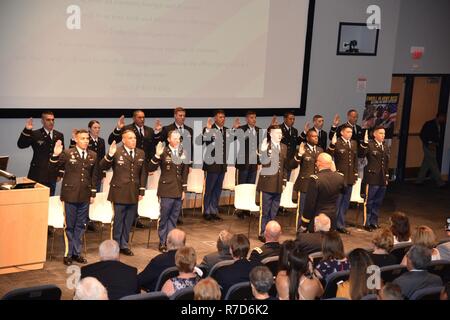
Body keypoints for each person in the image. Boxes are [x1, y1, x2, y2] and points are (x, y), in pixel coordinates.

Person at [49, 129, 97, 265]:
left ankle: (77, 253)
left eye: (87, 138)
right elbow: (53, 169)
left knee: (81, 225)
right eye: (82, 138)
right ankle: (68, 254)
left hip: (85, 196)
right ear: (76, 139)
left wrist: (92, 193)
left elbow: (94, 176)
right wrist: (55, 155)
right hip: (70, 195)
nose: (86, 141)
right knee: (69, 226)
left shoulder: (93, 155)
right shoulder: (67, 153)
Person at [100, 129, 147, 256]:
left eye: (134, 138)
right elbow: (102, 166)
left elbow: (143, 173)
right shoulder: (117, 151)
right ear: (124, 139)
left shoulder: (140, 153)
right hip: (119, 191)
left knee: (128, 220)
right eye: (130, 138)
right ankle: (115, 245)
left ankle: (124, 245)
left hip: (133, 191)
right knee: (119, 220)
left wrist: (142, 189)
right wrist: (109, 155)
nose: (133, 140)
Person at [148, 131, 189, 252]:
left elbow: (184, 172)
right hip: (166, 189)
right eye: (175, 138)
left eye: (179, 138)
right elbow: (150, 168)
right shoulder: (163, 151)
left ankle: (171, 242)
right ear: (169, 139)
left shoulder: (183, 152)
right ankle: (162, 242)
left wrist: (184, 189)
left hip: (178, 190)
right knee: (164, 218)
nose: (177, 140)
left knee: (173, 218)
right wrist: (156, 155)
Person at [17, 111, 64, 196]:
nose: (51, 122)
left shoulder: (59, 135)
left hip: (52, 174)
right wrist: (27, 130)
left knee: (49, 199)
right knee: (36, 200)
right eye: (48, 120)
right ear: (42, 121)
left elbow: (61, 155)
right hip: (37, 173)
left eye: (53, 120)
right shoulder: (35, 134)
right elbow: (21, 145)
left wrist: (60, 173)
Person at [256, 125, 289, 242]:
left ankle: (271, 233)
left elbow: (284, 166)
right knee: (265, 211)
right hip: (267, 183)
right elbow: (261, 162)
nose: (280, 135)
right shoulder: (265, 146)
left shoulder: (284, 147)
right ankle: (262, 233)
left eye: (281, 133)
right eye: (277, 133)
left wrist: (284, 181)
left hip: (279, 183)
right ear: (270, 134)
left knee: (274, 211)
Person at [299, 153, 346, 232]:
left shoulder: (315, 179)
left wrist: (304, 223)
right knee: (329, 241)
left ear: (319, 163)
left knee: (316, 242)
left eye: (317, 161)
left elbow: (309, 204)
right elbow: (344, 191)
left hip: (318, 218)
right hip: (332, 218)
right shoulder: (340, 177)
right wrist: (335, 172)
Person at [328, 124, 359, 234]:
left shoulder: (354, 143)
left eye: (351, 132)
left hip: (350, 177)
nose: (350, 134)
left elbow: (355, 160)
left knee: (345, 204)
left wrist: (355, 174)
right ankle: (332, 226)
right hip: (340, 178)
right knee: (337, 203)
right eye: (347, 132)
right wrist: (332, 144)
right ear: (342, 133)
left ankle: (340, 225)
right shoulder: (337, 142)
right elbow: (329, 156)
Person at [290, 129, 324, 230]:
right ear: (308, 138)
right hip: (304, 184)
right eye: (313, 136)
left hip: (317, 184)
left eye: (317, 136)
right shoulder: (302, 149)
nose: (316, 138)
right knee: (302, 209)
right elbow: (292, 165)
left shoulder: (320, 150)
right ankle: (300, 230)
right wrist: (299, 154)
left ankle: (311, 229)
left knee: (315, 209)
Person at [202, 110, 231, 221]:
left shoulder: (227, 130)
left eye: (224, 117)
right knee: (209, 189)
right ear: (215, 118)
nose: (222, 119)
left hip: (222, 165)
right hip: (211, 165)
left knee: (218, 189)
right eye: (220, 117)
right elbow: (203, 140)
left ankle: (214, 210)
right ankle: (207, 211)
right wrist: (208, 130)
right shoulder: (209, 129)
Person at [359, 126, 390, 231]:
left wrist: (386, 175)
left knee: (378, 201)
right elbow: (361, 154)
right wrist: (364, 143)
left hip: (382, 178)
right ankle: (366, 223)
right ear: (375, 134)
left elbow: (386, 162)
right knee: (369, 201)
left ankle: (374, 222)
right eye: (381, 133)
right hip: (372, 177)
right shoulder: (370, 145)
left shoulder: (385, 146)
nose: (383, 135)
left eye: (384, 134)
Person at [416, 112, 447, 187]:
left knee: (427, 163)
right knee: (433, 163)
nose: (444, 119)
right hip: (429, 145)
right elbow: (423, 134)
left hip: (433, 145)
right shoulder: (430, 124)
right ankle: (440, 182)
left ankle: (419, 180)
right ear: (439, 117)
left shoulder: (439, 125)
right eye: (443, 117)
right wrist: (429, 142)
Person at [235, 110, 261, 186]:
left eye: (255, 117)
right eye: (251, 117)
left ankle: (249, 198)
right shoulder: (241, 129)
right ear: (246, 119)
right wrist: (234, 129)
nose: (254, 120)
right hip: (243, 163)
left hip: (254, 164)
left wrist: (259, 161)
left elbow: (260, 147)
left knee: (251, 186)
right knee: (241, 186)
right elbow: (232, 138)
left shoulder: (258, 130)